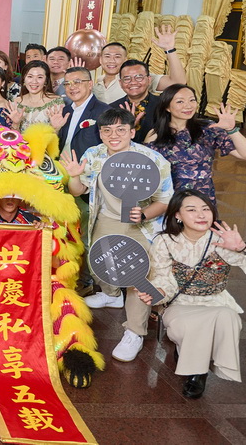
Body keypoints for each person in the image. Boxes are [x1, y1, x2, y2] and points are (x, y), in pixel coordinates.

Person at [137, 190, 246, 398]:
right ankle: (188, 353)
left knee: (228, 316)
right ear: (177, 215)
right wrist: (159, 292)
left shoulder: (222, 240)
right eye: (191, 210)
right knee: (186, 325)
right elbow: (163, 280)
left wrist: (243, 248)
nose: (201, 215)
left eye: (206, 209)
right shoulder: (165, 242)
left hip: (216, 302)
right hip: (181, 304)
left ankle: (198, 373)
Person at [61, 107, 173, 363]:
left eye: (121, 129)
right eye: (107, 130)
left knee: (137, 275)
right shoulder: (94, 154)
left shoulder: (152, 160)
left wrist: (143, 214)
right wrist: (75, 176)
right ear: (100, 134)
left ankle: (134, 331)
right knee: (101, 261)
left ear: (132, 132)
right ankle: (111, 295)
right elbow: (78, 191)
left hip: (142, 225)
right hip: (106, 219)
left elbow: (166, 200)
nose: (114, 135)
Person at [146, 85, 246, 201]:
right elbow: (146, 170)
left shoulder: (208, 129)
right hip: (170, 199)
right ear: (167, 107)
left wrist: (231, 130)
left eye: (192, 100)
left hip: (202, 198)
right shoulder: (156, 135)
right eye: (180, 101)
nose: (188, 106)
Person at [93, 27, 187, 104]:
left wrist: (169, 49)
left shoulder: (137, 78)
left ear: (125, 60)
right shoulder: (95, 84)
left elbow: (177, 82)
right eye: (107, 56)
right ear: (100, 60)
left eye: (117, 56)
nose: (112, 61)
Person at [53, 66, 111, 160]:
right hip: (60, 165)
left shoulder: (104, 111)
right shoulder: (64, 111)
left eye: (77, 82)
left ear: (90, 84)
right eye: (67, 84)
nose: (72, 87)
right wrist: (55, 129)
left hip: (88, 165)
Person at [109, 59, 163, 143]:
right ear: (120, 83)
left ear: (149, 80)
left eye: (139, 77)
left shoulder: (164, 105)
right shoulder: (111, 109)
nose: (133, 82)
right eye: (127, 78)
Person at [16, 60, 64, 131]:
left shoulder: (56, 102)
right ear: (23, 79)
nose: (34, 81)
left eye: (40, 77)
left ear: (46, 81)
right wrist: (15, 123)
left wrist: (56, 128)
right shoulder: (16, 102)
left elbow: (61, 133)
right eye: (30, 76)